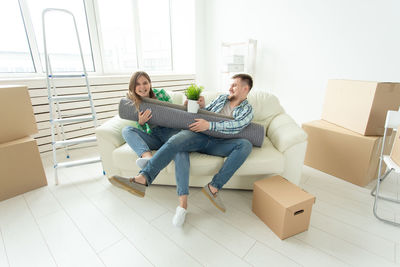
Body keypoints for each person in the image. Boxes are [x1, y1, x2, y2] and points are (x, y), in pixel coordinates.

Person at [111, 73, 254, 214]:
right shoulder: (222, 98)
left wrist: (209, 126)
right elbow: (204, 114)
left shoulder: (247, 109)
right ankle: (143, 178)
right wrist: (201, 108)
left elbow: (237, 126)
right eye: (230, 84)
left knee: (245, 145)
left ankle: (213, 188)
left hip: (219, 144)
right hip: (200, 136)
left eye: (234, 85)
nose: (230, 88)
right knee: (177, 139)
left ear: (245, 89)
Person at [109, 71, 190, 227]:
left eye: (145, 82)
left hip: (171, 133)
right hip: (153, 135)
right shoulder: (133, 102)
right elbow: (140, 128)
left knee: (181, 151)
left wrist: (181, 107)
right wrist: (140, 122)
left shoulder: (160, 94)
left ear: (150, 83)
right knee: (127, 130)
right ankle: (147, 158)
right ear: (133, 87)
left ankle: (182, 206)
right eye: (138, 84)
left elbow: (175, 114)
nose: (142, 87)